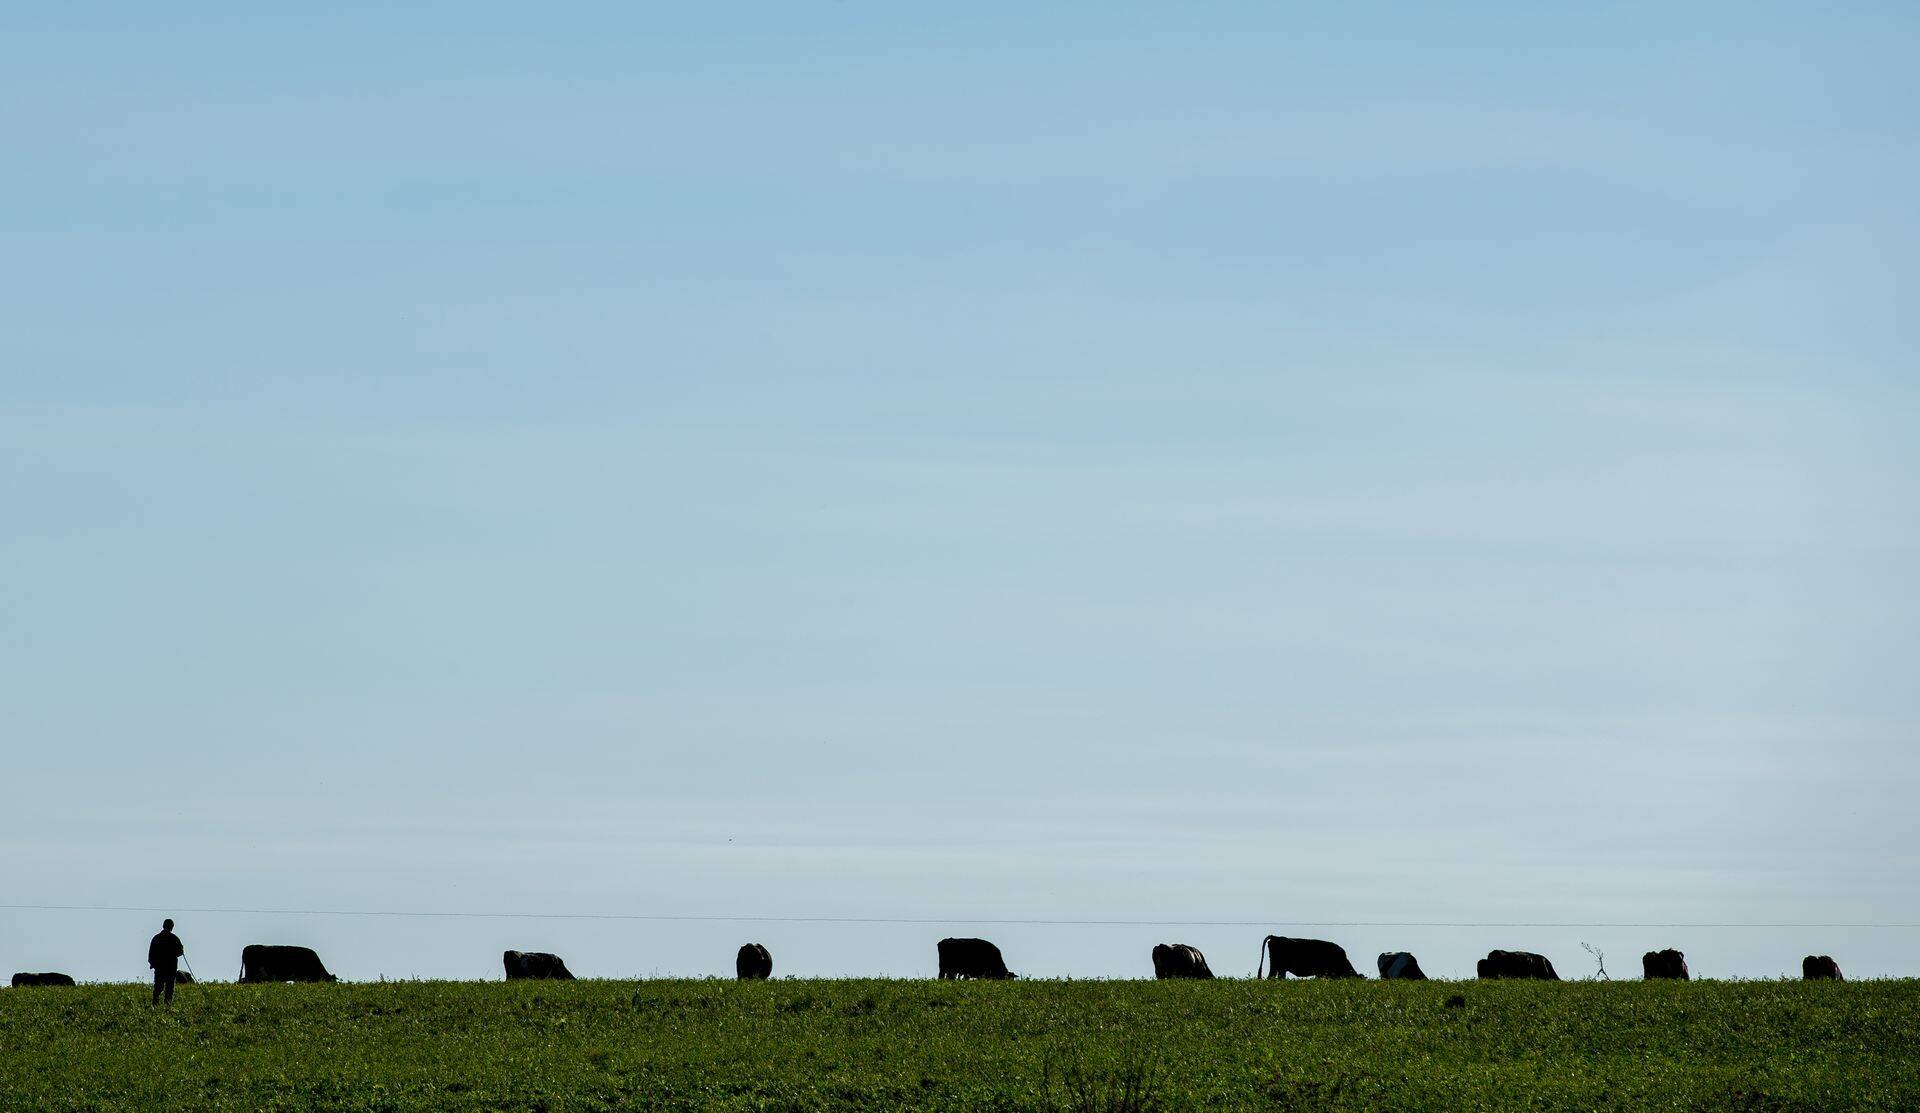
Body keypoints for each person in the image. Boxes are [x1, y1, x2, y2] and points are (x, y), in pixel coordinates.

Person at [148, 918, 185, 1005]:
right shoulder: (174, 938)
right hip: (171, 969)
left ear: (163, 926)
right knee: (169, 989)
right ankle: (167, 1007)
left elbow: (151, 954)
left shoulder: (156, 938)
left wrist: (153, 964)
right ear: (172, 927)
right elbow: (180, 952)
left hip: (160, 968)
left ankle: (155, 1005)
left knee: (158, 988)